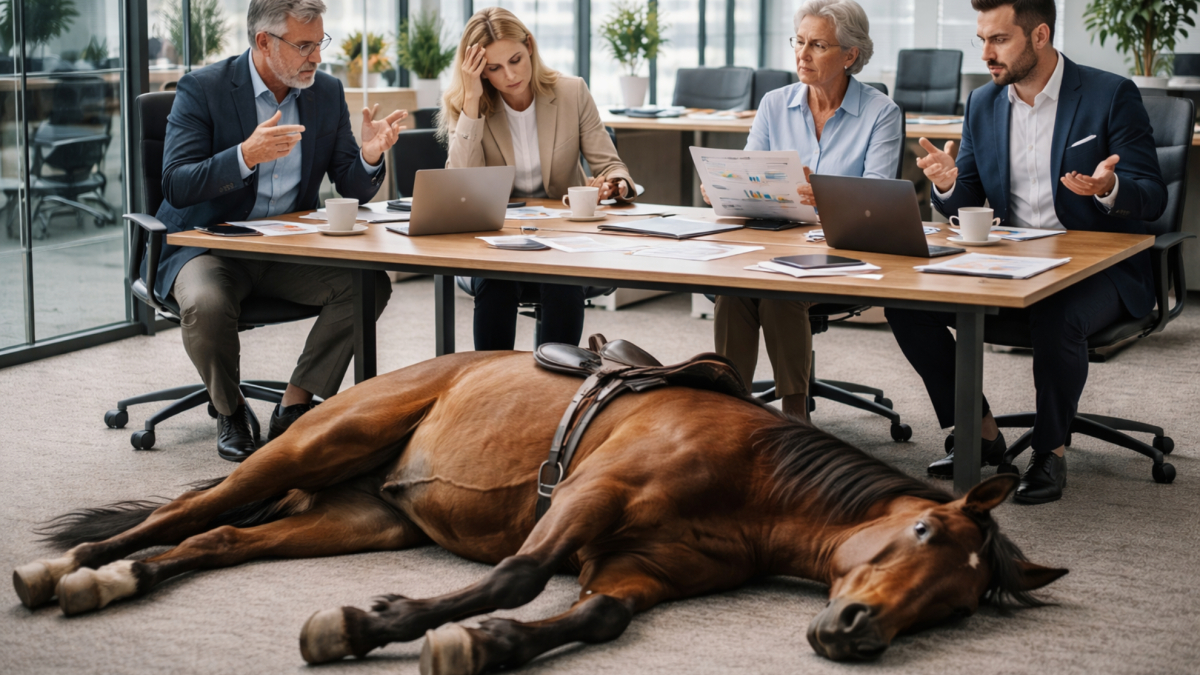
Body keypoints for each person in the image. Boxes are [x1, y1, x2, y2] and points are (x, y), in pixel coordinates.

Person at [889, 0, 1166, 503]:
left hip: (1101, 267)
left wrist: (1109, 187)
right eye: (982, 41)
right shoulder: (983, 103)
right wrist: (949, 187)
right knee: (906, 301)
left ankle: (1050, 450)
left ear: (1039, 36)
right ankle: (980, 432)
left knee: (1058, 312)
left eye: (999, 40)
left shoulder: (1108, 95)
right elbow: (968, 197)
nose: (986, 54)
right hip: (1013, 260)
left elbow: (1152, 194)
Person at [154, 0, 408, 462]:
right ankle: (229, 410)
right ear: (264, 42)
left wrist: (370, 156)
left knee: (367, 286)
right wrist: (243, 157)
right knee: (208, 303)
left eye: (319, 43)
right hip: (209, 247)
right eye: (304, 45)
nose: (316, 56)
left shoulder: (325, 93)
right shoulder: (203, 88)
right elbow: (176, 183)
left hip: (287, 248)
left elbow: (349, 183)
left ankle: (295, 404)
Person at [705, 0, 901, 418]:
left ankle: (795, 415)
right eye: (799, 41)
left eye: (818, 45)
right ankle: (731, 409)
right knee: (733, 290)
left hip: (844, 249)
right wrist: (725, 186)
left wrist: (828, 196)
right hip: (773, 242)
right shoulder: (776, 103)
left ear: (851, 55)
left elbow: (881, 199)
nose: (802, 54)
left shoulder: (881, 112)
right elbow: (750, 169)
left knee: (780, 293)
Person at [439, 7, 637, 351]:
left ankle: (555, 382)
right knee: (496, 281)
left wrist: (612, 184)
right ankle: (489, 386)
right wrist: (472, 100)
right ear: (479, 71)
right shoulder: (469, 105)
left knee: (562, 278)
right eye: (494, 68)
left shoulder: (572, 92)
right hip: (496, 236)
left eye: (515, 59)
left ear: (529, 45)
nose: (510, 75)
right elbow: (460, 184)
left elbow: (611, 164)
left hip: (563, 235)